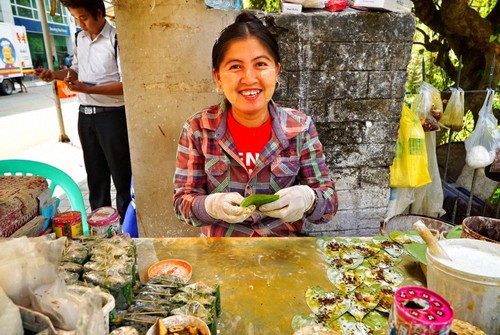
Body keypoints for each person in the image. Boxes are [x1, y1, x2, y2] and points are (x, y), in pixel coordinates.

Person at [173, 12, 338, 237]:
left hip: (282, 251)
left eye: (261, 64)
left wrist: (309, 200)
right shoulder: (197, 129)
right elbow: (182, 203)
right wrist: (209, 206)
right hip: (222, 252)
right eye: (235, 67)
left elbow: (329, 205)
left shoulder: (300, 127)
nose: (249, 78)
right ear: (218, 77)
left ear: (277, 71)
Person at [34, 0, 132, 223]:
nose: (80, 24)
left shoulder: (117, 39)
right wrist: (54, 75)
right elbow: (76, 71)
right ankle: (101, 229)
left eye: (84, 18)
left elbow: (126, 85)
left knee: (122, 179)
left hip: (112, 117)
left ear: (99, 13)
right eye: (75, 19)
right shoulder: (80, 38)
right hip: (85, 117)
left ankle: (128, 229)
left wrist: (89, 89)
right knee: (96, 179)